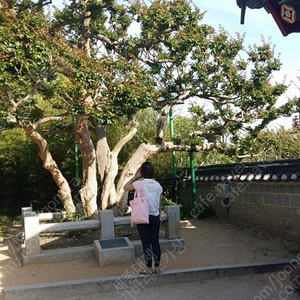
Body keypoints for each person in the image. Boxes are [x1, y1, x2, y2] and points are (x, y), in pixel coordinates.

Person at [124, 161, 163, 275]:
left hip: (143, 216)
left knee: (146, 242)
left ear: (142, 172)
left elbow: (125, 187)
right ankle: (157, 267)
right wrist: (158, 215)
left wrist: (135, 177)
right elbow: (159, 202)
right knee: (155, 241)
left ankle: (148, 268)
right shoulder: (158, 185)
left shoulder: (140, 184)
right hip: (155, 216)